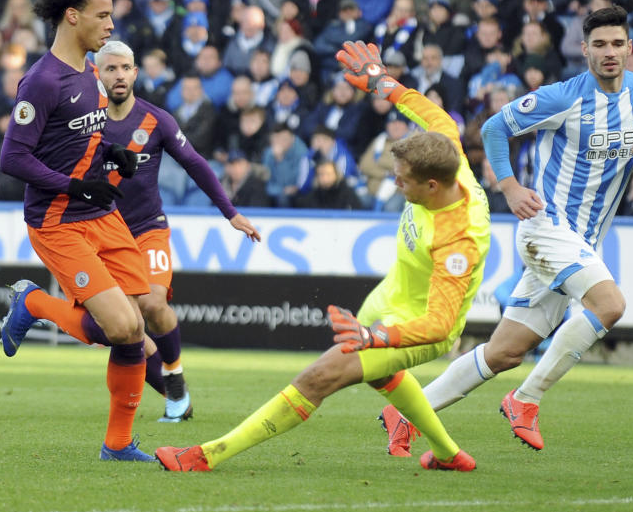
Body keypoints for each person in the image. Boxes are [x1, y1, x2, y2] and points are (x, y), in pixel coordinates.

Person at [155, 40, 490, 473]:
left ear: (431, 186)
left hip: (415, 325)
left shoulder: (457, 240)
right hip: (392, 294)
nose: (395, 183)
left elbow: (441, 325)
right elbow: (427, 111)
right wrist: (381, 82)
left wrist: (377, 337)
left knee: (317, 378)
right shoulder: (447, 151)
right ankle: (449, 455)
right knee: (373, 374)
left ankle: (206, 456)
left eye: (403, 181)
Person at [380, 5, 633, 454]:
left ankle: (407, 412)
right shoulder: (563, 97)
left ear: (630, 48)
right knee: (610, 304)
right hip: (545, 228)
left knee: (505, 352)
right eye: (599, 45)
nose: (609, 53)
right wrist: (510, 188)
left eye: (617, 44)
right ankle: (525, 400)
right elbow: (494, 129)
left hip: (582, 242)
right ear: (585, 51)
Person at [0, 0, 153, 461]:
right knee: (119, 328)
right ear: (71, 16)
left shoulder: (89, 72)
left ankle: (118, 445)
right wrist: (76, 187)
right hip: (58, 221)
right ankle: (33, 304)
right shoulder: (40, 82)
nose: (111, 26)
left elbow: (85, 133)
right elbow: (12, 158)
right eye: (102, 15)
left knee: (133, 330)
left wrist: (112, 154)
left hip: (97, 214)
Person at [96, 40, 261, 422]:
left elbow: (195, 163)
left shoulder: (156, 120)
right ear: (98, 75)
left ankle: (174, 377)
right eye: (110, 69)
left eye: (125, 68)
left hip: (146, 228)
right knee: (122, 325)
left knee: (152, 305)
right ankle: (177, 397)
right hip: (101, 235)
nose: (119, 75)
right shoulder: (85, 122)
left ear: (135, 73)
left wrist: (230, 213)